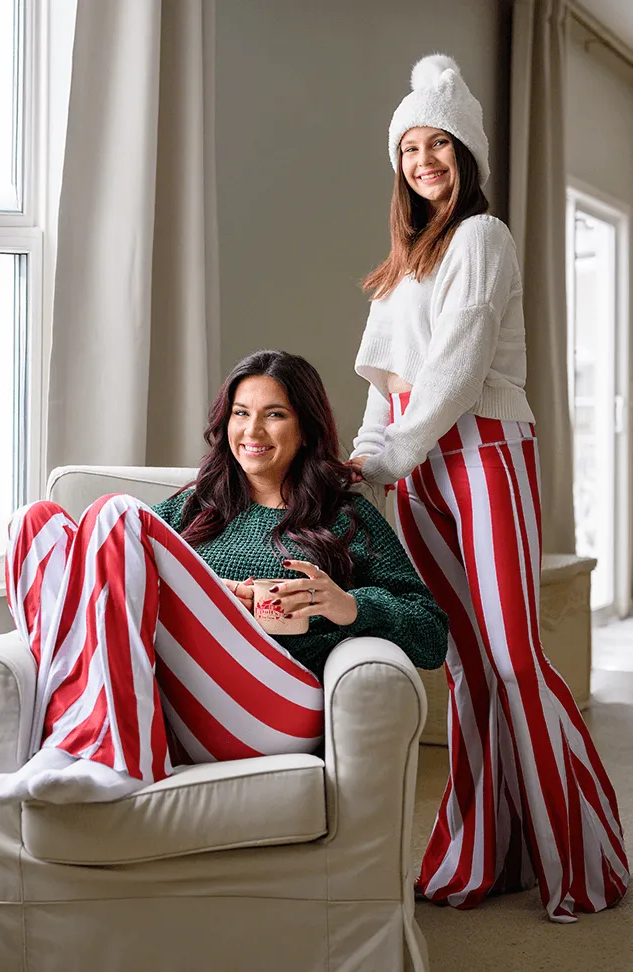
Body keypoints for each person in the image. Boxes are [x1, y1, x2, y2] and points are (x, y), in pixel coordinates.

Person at [347, 53, 629, 923]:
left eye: (439, 144)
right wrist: (366, 458)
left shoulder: (482, 237)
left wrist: (389, 454)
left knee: (512, 656)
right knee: (467, 664)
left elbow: (457, 371)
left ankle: (586, 859)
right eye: (409, 148)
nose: (423, 160)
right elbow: (383, 385)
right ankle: (485, 853)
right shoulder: (400, 266)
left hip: (481, 450)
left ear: (465, 153)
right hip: (417, 462)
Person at [0, 349, 448, 807]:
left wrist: (347, 605)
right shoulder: (195, 508)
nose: (252, 431)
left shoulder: (345, 515)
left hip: (277, 710)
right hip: (179, 707)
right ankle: (70, 741)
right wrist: (205, 596)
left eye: (274, 415)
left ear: (305, 429)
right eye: (241, 413)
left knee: (117, 513)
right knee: (35, 522)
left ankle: (113, 757)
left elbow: (431, 633)